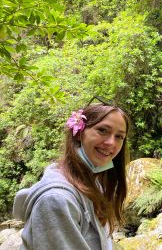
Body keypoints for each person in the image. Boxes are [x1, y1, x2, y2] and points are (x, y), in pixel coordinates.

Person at [13, 98, 130, 250]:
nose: (111, 143)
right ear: (79, 134)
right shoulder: (57, 200)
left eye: (119, 136)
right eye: (102, 130)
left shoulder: (92, 182)